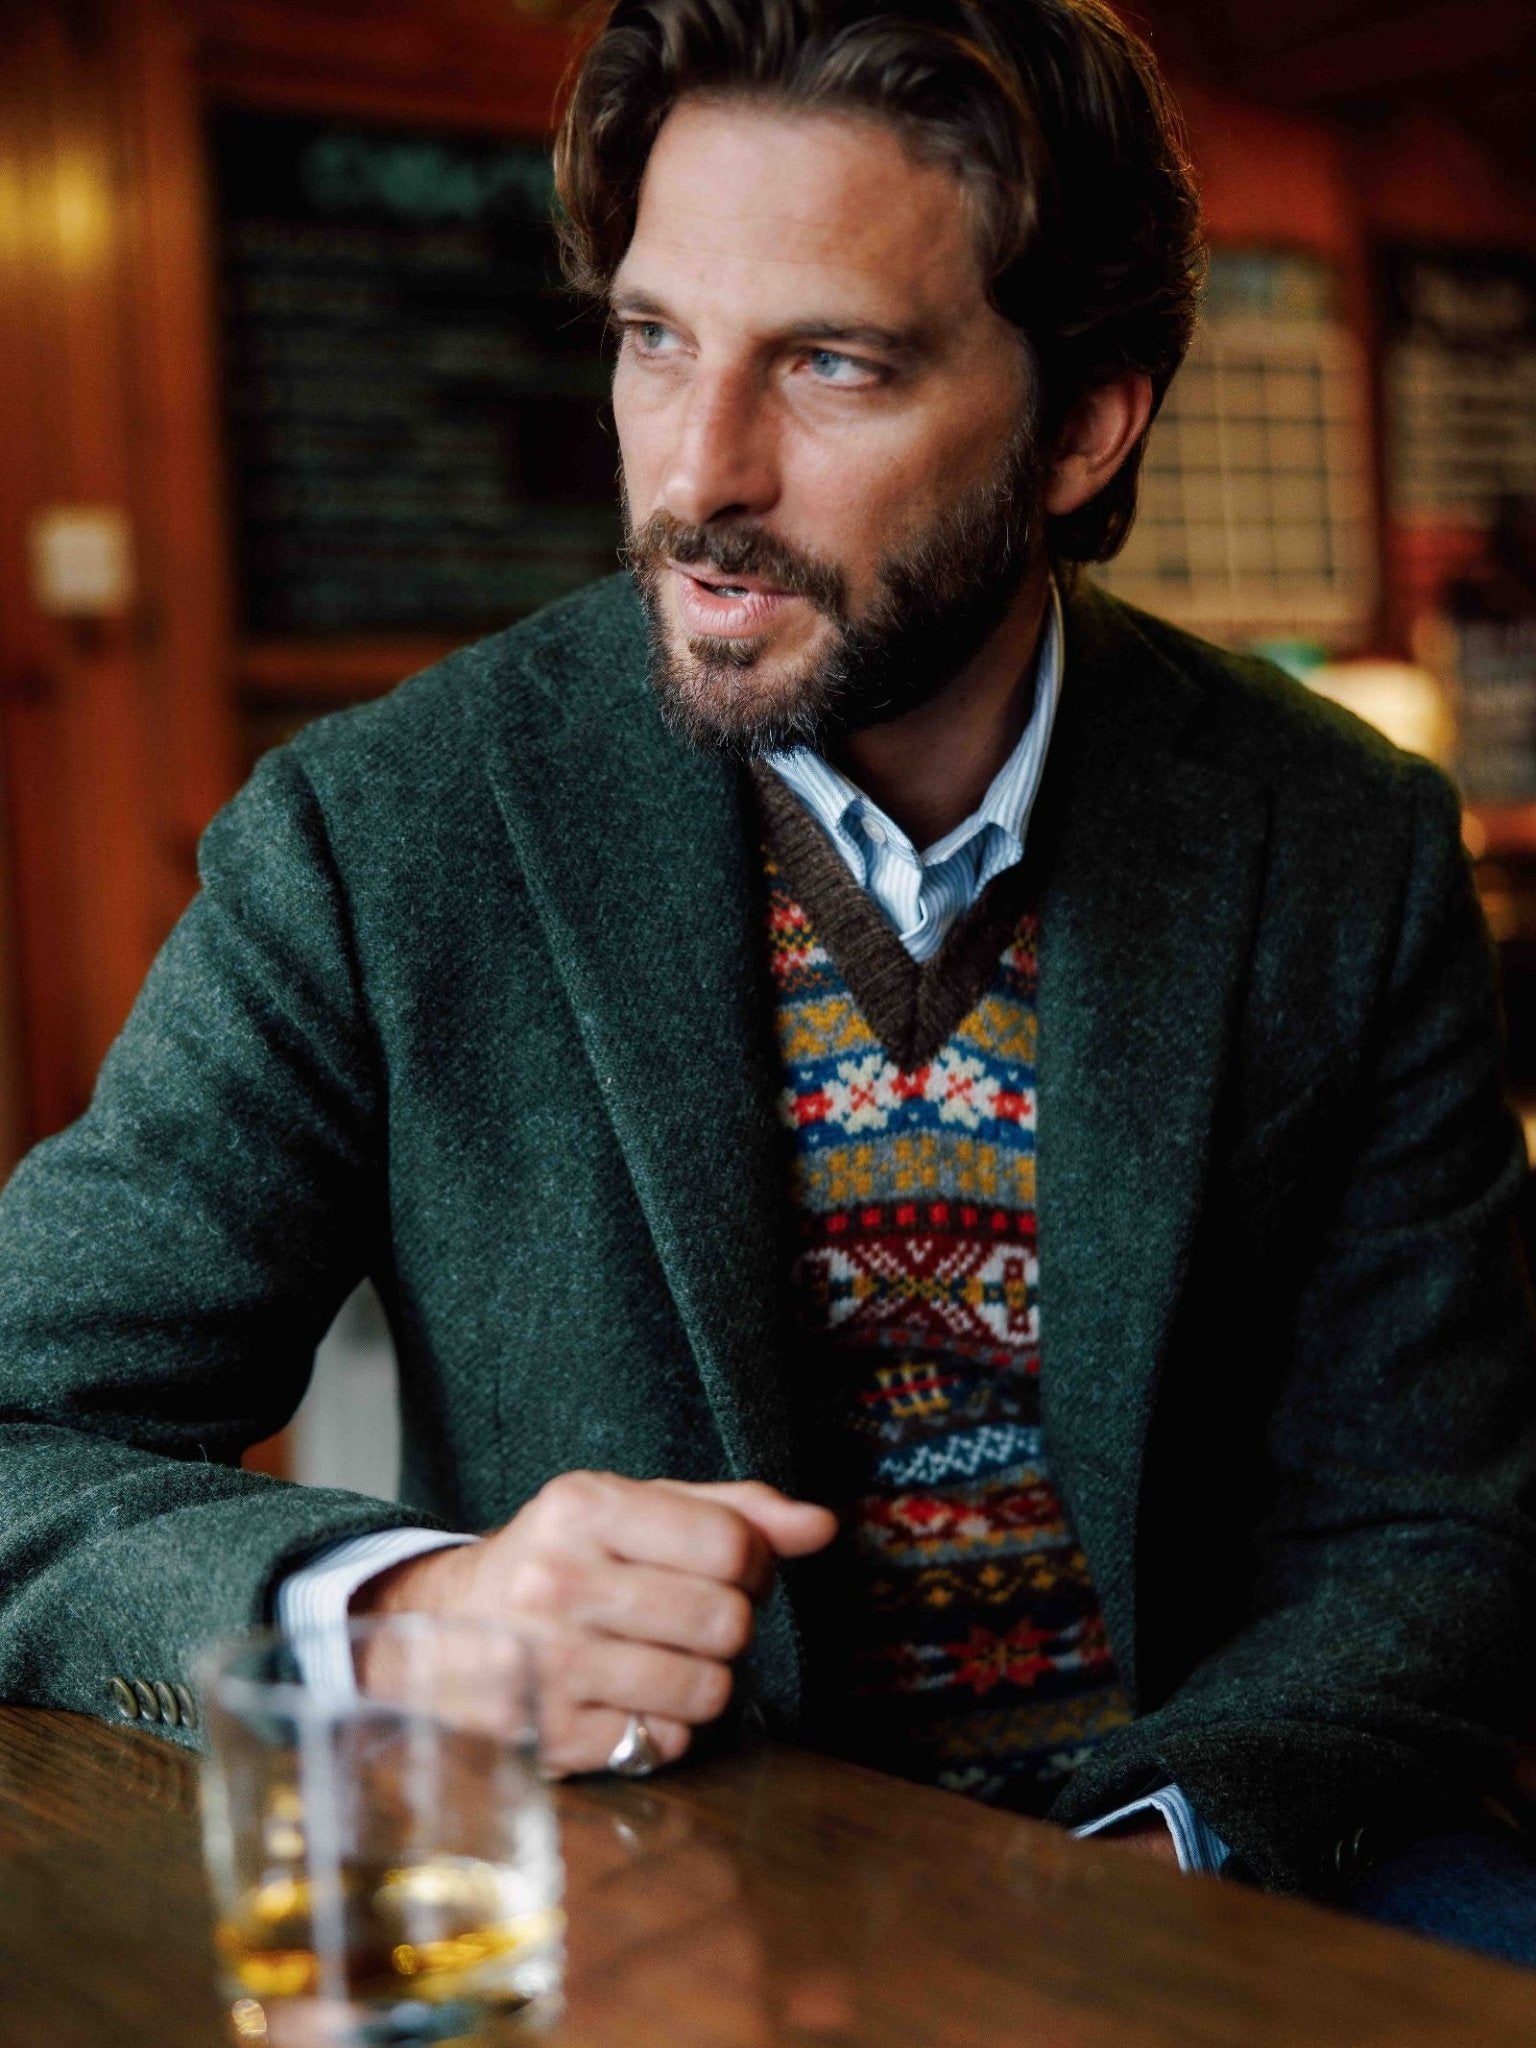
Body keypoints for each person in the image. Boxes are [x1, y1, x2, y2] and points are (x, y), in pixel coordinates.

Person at [3, 0, 1536, 1957]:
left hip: (1227, 1848)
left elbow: (1437, 1528)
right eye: (656, 340)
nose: (698, 478)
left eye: (831, 362)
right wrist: (416, 1618)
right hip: (644, 1885)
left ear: (1083, 421)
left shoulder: (1342, 835)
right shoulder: (376, 835)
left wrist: (1132, 1876)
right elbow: (14, 1437)